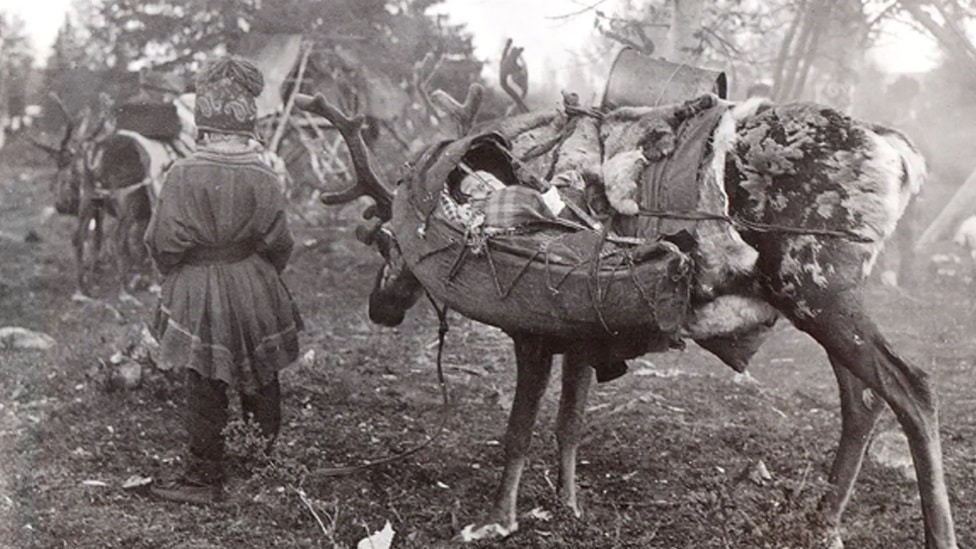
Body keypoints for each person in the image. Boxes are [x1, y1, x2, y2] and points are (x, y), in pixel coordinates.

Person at [145, 56, 302, 505]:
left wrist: (179, 270)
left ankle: (203, 478)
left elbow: (162, 242)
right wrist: (260, 274)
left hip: (197, 283)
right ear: (247, 129)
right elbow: (280, 241)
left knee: (204, 379)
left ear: (204, 127)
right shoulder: (263, 172)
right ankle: (262, 467)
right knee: (261, 372)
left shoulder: (182, 173)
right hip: (254, 280)